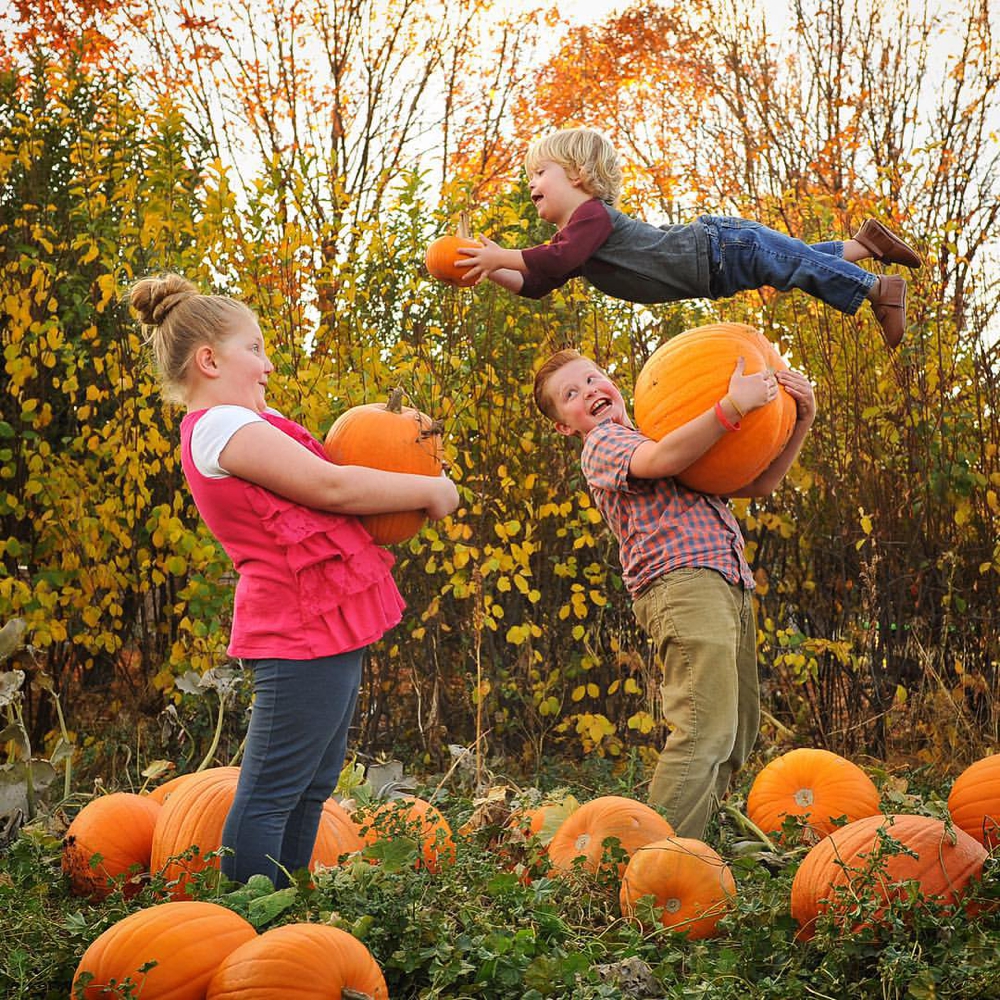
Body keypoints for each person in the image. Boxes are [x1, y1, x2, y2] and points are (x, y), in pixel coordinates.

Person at [130, 273, 459, 887]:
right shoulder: (219, 428)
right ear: (208, 359)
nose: (268, 364)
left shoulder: (249, 421)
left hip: (321, 621)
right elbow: (330, 487)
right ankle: (247, 925)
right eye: (253, 348)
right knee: (273, 790)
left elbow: (346, 465)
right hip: (295, 626)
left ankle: (285, 906)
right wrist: (430, 489)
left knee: (312, 787)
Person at [532, 347, 816, 840]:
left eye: (593, 378)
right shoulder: (603, 444)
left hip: (729, 582)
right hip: (681, 585)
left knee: (737, 730)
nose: (589, 392)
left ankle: (694, 843)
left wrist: (801, 418)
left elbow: (761, 483)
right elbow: (663, 460)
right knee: (704, 728)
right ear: (564, 425)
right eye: (570, 395)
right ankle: (654, 861)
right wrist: (731, 407)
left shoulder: (668, 431)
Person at [456, 126, 922, 349]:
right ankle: (866, 245)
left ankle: (878, 289)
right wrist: (490, 267)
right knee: (793, 261)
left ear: (578, 175)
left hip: (717, 247)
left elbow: (551, 260)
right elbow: (536, 283)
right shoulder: (576, 242)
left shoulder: (591, 218)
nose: (531, 183)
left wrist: (502, 254)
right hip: (715, 269)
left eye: (540, 172)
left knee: (794, 265)